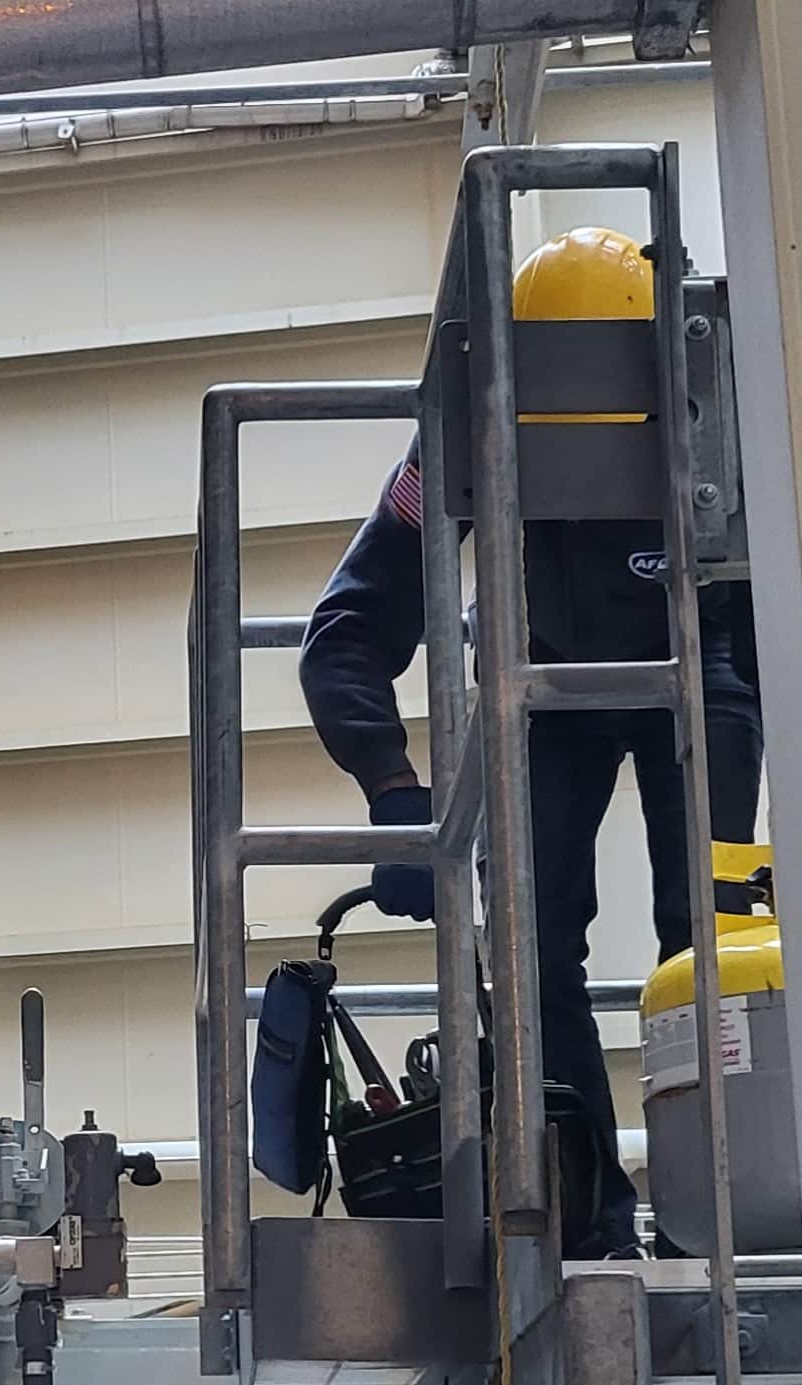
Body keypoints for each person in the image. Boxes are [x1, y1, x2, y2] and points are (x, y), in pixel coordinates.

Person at [300, 227, 764, 1258]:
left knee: (713, 937)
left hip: (704, 663)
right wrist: (392, 792)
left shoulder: (731, 409)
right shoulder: (460, 431)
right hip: (543, 682)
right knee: (534, 948)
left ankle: (722, 1214)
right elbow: (348, 633)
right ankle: (592, 1221)